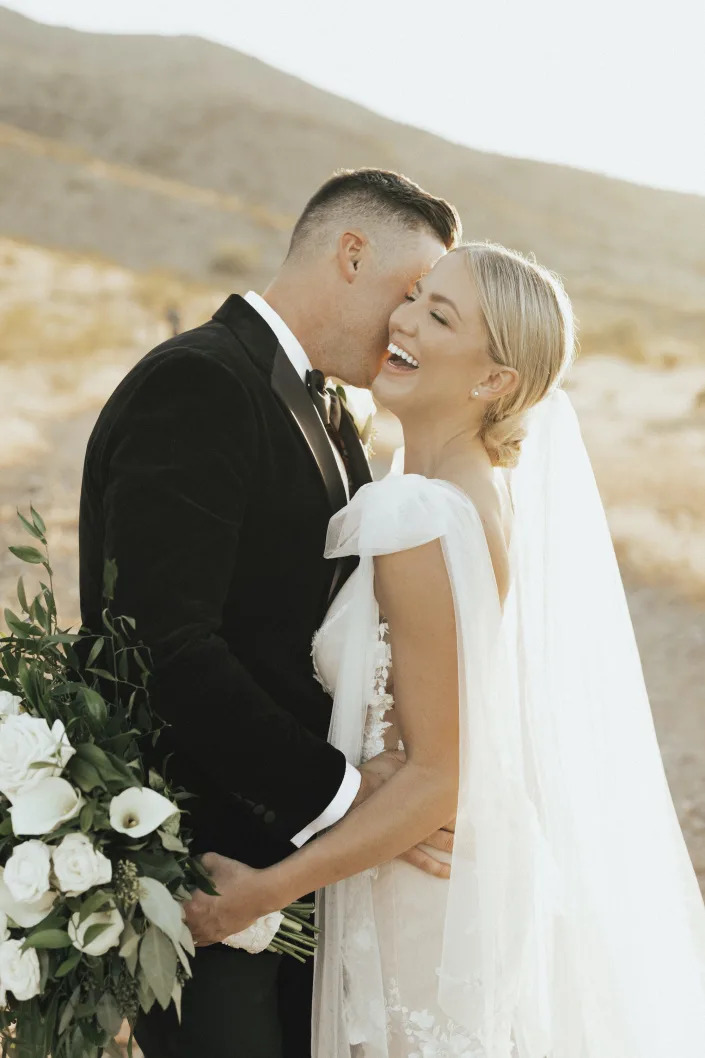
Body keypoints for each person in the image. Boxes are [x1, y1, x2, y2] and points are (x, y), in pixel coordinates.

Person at [187, 244, 705, 1057]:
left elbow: (439, 773)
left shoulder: (418, 516)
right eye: (416, 296)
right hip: (434, 876)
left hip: (420, 898)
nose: (405, 320)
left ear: (493, 380)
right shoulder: (468, 495)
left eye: (441, 316)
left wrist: (261, 894)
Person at [77, 168, 462, 1058]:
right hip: (207, 863)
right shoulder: (201, 383)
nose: (407, 324)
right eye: (408, 294)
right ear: (350, 253)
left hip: (290, 870)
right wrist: (348, 794)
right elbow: (165, 647)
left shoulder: (333, 412)